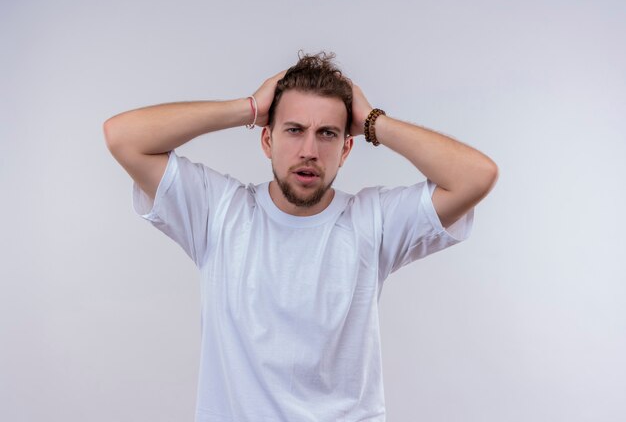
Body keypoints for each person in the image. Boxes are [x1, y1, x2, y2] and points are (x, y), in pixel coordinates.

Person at [103, 51, 498, 422]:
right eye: (294, 130)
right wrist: (251, 107)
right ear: (267, 139)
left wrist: (375, 121)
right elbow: (123, 136)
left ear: (346, 149)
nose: (309, 150)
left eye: (326, 134)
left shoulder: (372, 220)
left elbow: (476, 176)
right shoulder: (218, 212)